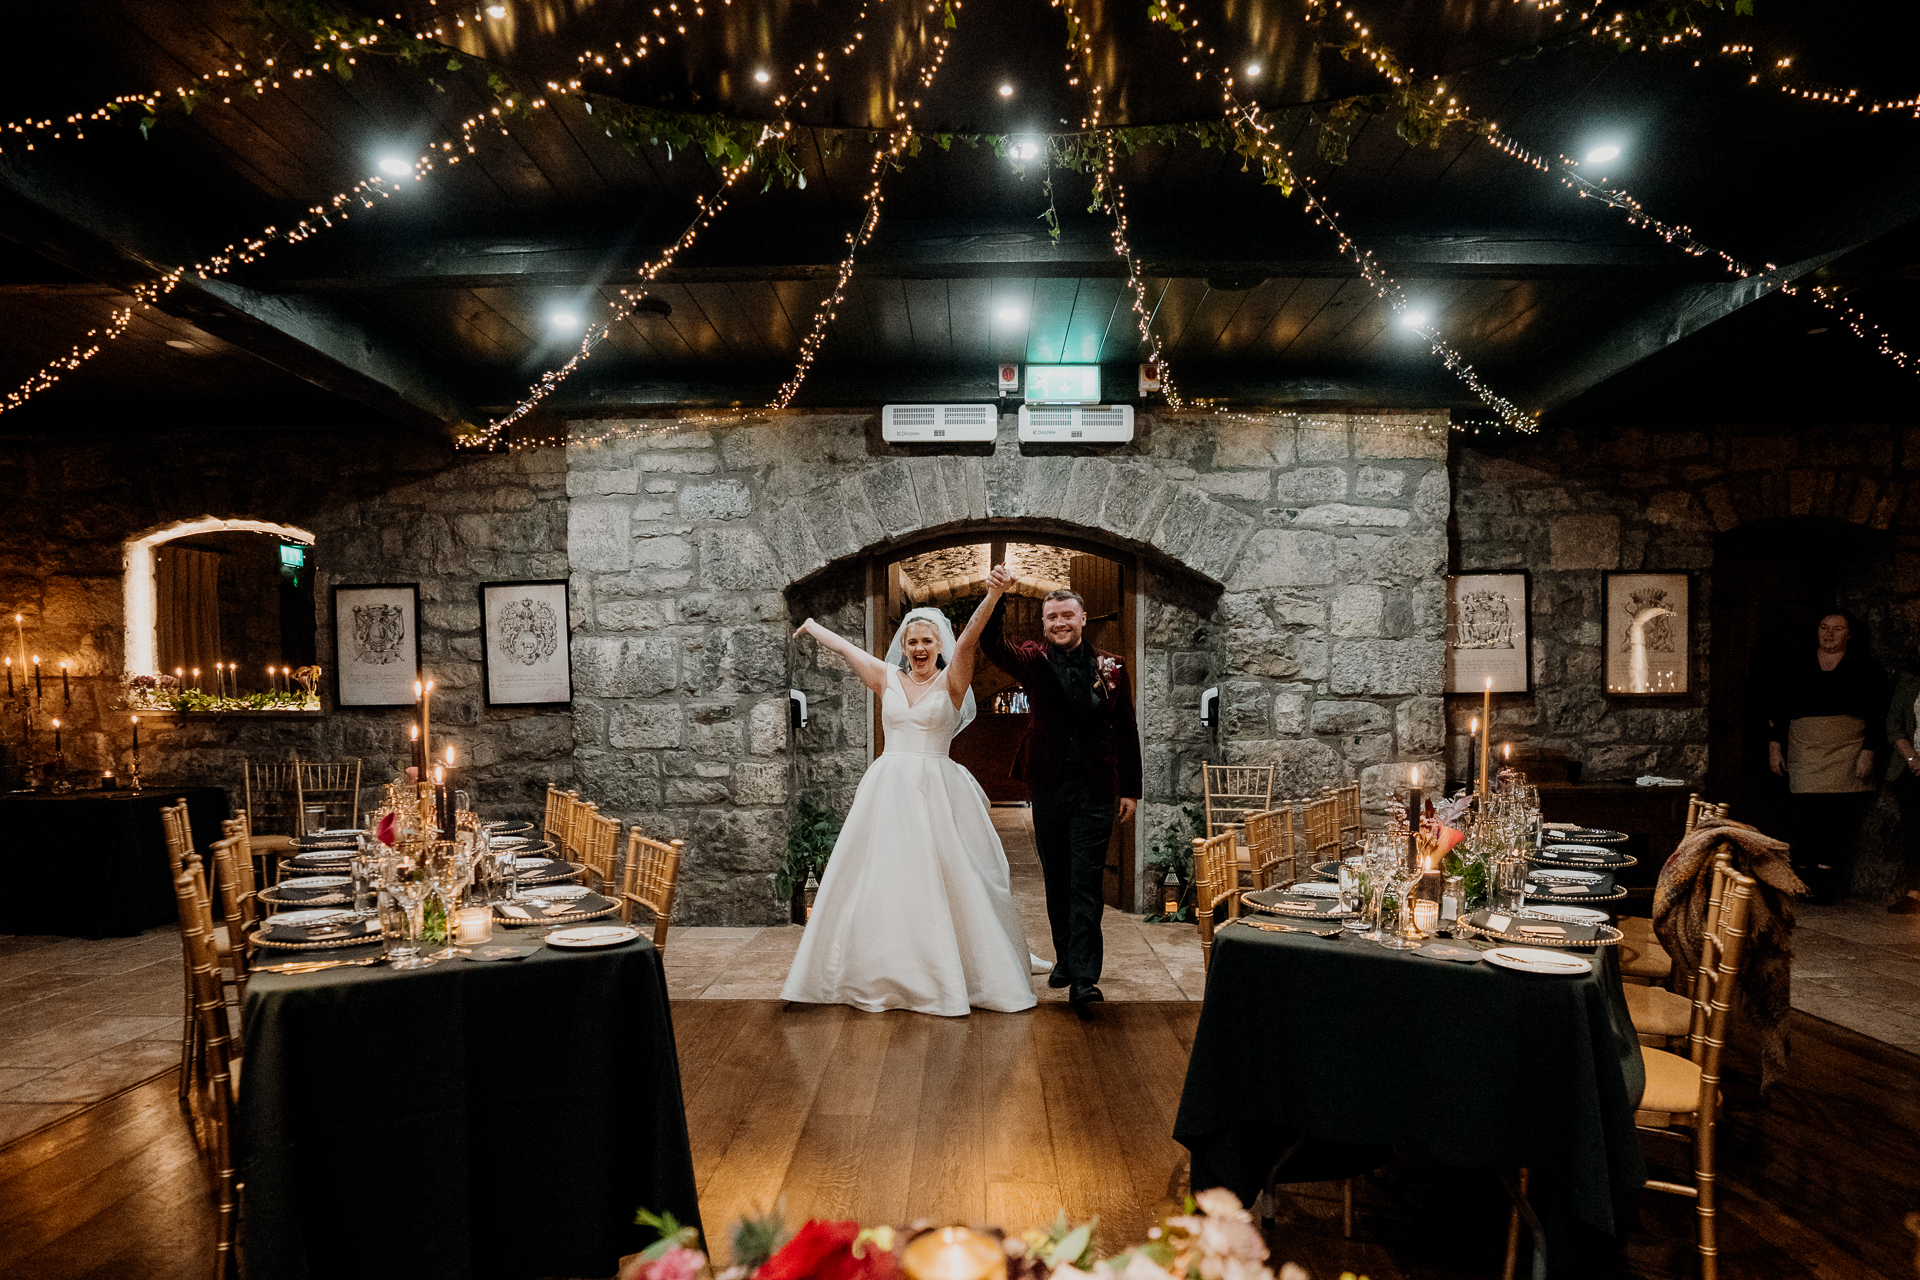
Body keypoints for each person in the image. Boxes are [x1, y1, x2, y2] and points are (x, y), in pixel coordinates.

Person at [780, 582, 1037, 1016]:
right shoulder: (887, 677)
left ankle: (945, 969)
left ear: (940, 646)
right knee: (883, 875)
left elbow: (971, 635)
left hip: (938, 788)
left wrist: (992, 596)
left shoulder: (953, 679)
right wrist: (810, 626)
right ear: (904, 645)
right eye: (912, 641)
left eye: (927, 641)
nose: (919, 648)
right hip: (888, 789)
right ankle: (879, 966)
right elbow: (848, 650)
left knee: (944, 876)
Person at [980, 567, 1142, 1010]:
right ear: (1044, 624)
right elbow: (992, 645)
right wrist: (996, 597)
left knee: (1086, 881)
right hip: (1048, 783)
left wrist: (1130, 788)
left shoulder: (1112, 667)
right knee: (1058, 877)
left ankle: (1085, 979)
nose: (1059, 623)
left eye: (1067, 615)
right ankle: (1066, 957)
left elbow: (1125, 728)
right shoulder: (1034, 661)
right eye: (1052, 618)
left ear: (1083, 618)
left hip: (1096, 787)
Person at [1766, 611, 1887, 905]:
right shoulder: (1796, 664)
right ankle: (1802, 883)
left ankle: (1825, 887)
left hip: (1847, 750)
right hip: (1805, 749)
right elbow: (1778, 710)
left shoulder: (1866, 667)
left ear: (1850, 634)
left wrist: (1868, 751)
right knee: (1805, 816)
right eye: (1823, 627)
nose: (1829, 633)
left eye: (1837, 628)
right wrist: (1775, 747)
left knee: (1838, 818)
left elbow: (1877, 712)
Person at [1882, 644, 1920, 915]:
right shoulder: (1908, 680)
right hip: (1911, 768)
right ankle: (1915, 892)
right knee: (1915, 831)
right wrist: (1912, 759)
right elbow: (1893, 724)